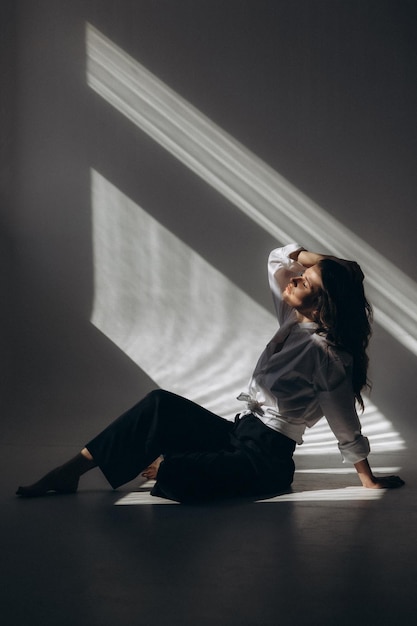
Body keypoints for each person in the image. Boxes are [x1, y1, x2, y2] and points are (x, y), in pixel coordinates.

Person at [16, 244, 404, 502]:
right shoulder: (293, 318)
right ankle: (69, 472)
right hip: (238, 434)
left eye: (307, 282)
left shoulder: (330, 355)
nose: (295, 277)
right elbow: (277, 258)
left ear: (323, 306)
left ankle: (168, 466)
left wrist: (366, 478)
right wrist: (330, 265)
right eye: (303, 274)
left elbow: (344, 422)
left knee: (177, 472)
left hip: (265, 460)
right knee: (159, 404)